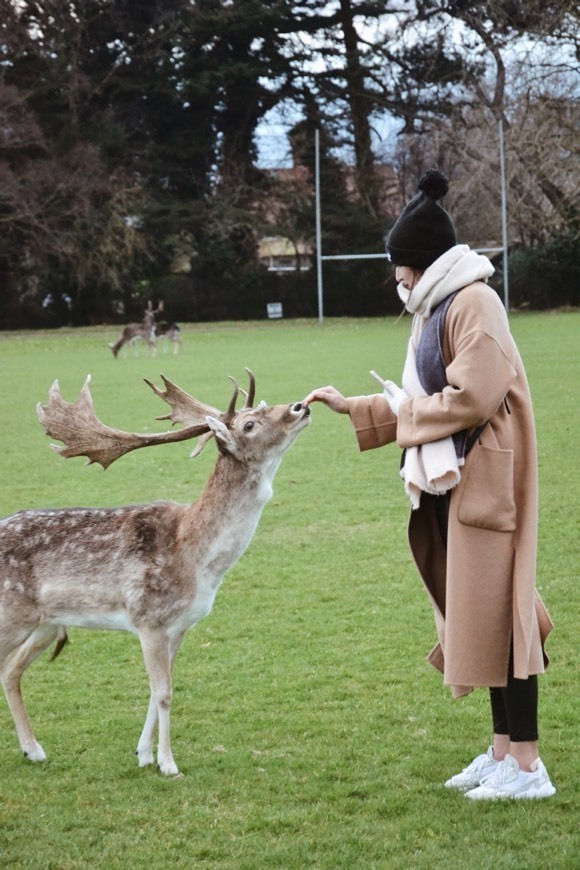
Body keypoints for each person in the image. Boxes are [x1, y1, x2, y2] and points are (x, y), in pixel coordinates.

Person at [303, 169, 555, 800]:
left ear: (423, 263)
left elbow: (470, 398)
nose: (397, 279)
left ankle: (528, 768)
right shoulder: (439, 305)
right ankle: (503, 753)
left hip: (487, 481)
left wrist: (400, 418)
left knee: (506, 616)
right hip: (458, 480)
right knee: (482, 615)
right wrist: (354, 406)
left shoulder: (475, 302)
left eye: (400, 268)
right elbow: (425, 399)